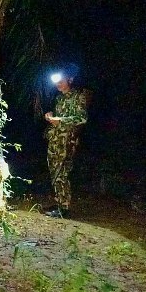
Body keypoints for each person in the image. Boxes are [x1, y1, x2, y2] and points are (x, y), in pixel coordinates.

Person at [44, 69, 89, 218]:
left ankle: (64, 208)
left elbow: (81, 118)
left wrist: (60, 121)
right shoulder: (60, 98)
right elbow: (59, 118)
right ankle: (59, 202)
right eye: (56, 81)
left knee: (62, 172)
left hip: (67, 141)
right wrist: (51, 116)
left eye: (61, 81)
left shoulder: (78, 96)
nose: (58, 83)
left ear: (70, 80)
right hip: (55, 140)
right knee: (54, 171)